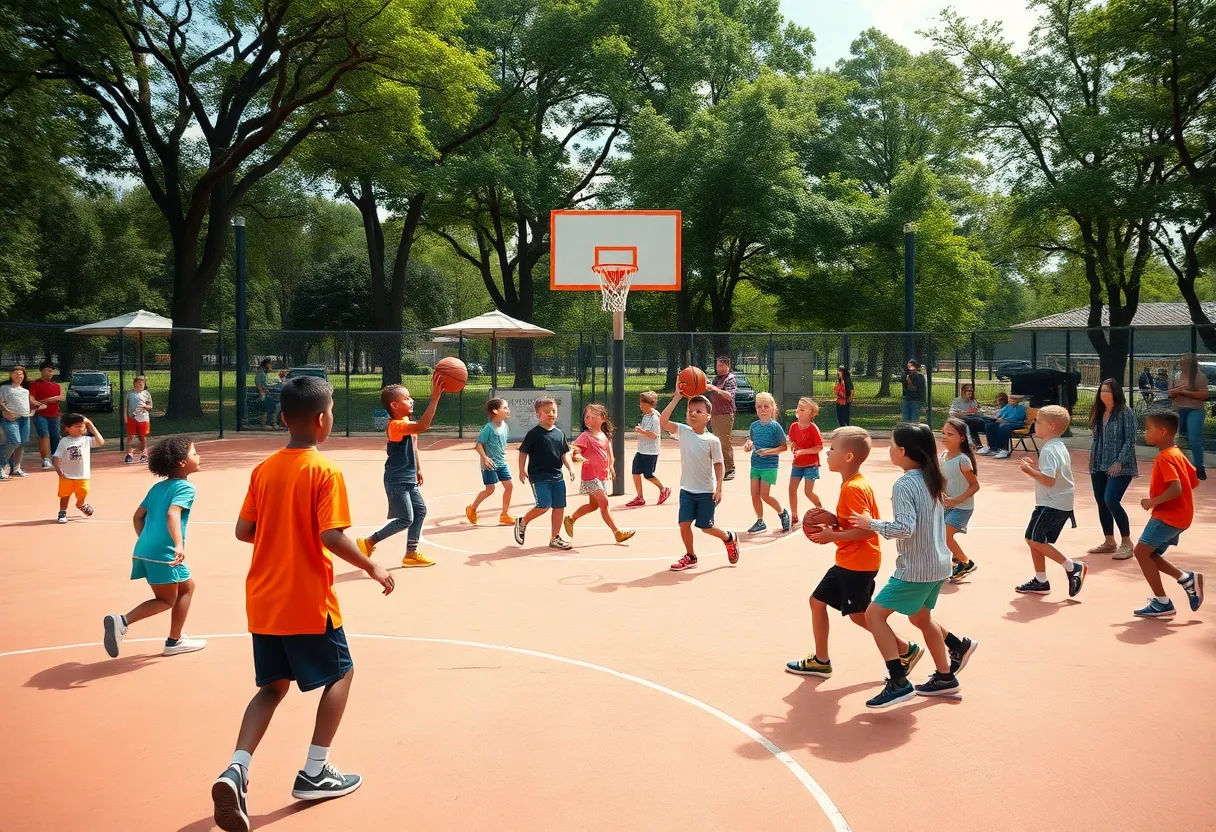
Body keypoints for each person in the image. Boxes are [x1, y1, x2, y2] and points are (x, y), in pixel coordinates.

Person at [211, 376, 395, 832]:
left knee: (272, 687)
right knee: (343, 671)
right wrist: (372, 567)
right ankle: (316, 769)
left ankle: (235, 769)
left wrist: (280, 531)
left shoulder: (265, 469)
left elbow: (243, 531)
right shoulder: (324, 470)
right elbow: (330, 534)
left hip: (263, 598)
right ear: (321, 420)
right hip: (306, 597)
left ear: (281, 418)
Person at [853, 423, 978, 708]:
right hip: (940, 564)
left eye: (892, 444)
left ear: (902, 451)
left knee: (874, 616)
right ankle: (945, 677)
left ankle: (898, 681)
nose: (889, 449)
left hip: (916, 568)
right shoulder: (931, 477)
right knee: (921, 618)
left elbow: (904, 528)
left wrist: (870, 523)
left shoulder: (905, 484)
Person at [786, 426, 925, 681]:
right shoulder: (852, 484)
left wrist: (832, 536)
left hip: (858, 563)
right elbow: (856, 524)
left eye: (832, 449)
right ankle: (821, 660)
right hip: (851, 561)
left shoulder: (853, 488)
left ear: (848, 457)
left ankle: (905, 649)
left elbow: (867, 532)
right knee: (818, 602)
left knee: (861, 616)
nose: (827, 453)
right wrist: (836, 522)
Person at [102, 436, 205, 658]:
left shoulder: (158, 487)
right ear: (181, 462)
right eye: (194, 453)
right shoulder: (185, 488)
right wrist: (178, 544)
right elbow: (172, 514)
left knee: (187, 587)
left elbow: (138, 517)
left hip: (144, 550)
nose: (199, 457)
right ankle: (123, 621)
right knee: (166, 600)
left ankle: (175, 639)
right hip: (165, 553)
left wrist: (146, 540)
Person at [356, 378, 446, 568]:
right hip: (396, 479)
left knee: (420, 510)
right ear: (395, 405)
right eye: (407, 398)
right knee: (406, 518)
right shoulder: (395, 426)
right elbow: (423, 427)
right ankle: (369, 542)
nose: (411, 400)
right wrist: (435, 399)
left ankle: (411, 554)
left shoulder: (406, 422)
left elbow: (414, 445)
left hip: (408, 477)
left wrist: (418, 469)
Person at [658, 385, 741, 571]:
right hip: (687, 490)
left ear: (708, 417)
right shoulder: (683, 431)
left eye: (698, 411)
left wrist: (719, 488)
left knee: (705, 527)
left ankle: (729, 537)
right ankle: (691, 556)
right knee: (684, 524)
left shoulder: (712, 440)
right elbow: (662, 422)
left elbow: (719, 464)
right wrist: (676, 398)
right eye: (690, 411)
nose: (693, 414)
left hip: (706, 492)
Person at [1130, 411, 1204, 618]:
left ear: (1162, 431)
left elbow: (1176, 489)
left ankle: (1162, 602)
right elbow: (1194, 481)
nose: (1145, 433)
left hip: (1168, 517)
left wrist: (1152, 501)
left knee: (1141, 553)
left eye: (1148, 428)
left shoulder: (1164, 458)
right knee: (1150, 554)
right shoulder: (1176, 452)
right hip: (1180, 516)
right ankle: (1186, 579)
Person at [1015, 406, 1088, 598]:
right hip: (1054, 502)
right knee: (1036, 540)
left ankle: (1072, 566)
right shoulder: (1058, 446)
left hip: (1053, 503)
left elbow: (1049, 480)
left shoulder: (1049, 450)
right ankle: (1041, 580)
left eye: (1038, 421)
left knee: (1032, 538)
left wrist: (1028, 471)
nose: (1034, 424)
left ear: (1052, 425)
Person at [565, 403, 635, 543]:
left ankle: (571, 519)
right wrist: (578, 457)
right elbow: (576, 450)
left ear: (604, 418)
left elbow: (609, 454)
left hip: (601, 476)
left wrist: (611, 467)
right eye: (587, 417)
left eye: (593, 417)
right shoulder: (585, 436)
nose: (589, 420)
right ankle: (617, 532)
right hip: (591, 476)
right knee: (604, 502)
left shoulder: (604, 436)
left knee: (594, 505)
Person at [513, 396, 576, 550]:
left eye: (553, 411)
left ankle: (555, 537)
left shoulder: (559, 434)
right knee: (544, 505)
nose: (551, 414)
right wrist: (521, 470)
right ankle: (522, 522)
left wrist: (570, 467)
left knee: (559, 506)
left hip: (557, 476)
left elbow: (564, 453)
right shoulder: (534, 434)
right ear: (538, 415)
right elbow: (523, 452)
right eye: (547, 411)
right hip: (539, 476)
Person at [1086, 379, 1138, 560]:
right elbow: (1095, 439)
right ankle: (1109, 541)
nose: (1103, 394)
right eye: (1101, 390)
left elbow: (1130, 439)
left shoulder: (1125, 412)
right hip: (1099, 463)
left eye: (1107, 390)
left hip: (1120, 465)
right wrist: (1092, 461)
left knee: (1111, 500)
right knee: (1101, 500)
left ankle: (1127, 542)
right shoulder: (1099, 412)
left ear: (1116, 393)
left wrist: (1119, 462)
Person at [742, 392, 790, 534]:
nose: (762, 410)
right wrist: (748, 446)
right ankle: (760, 520)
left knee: (765, 495)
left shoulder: (775, 427)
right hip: (755, 464)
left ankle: (782, 512)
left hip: (769, 465)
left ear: (772, 408)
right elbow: (751, 441)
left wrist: (768, 452)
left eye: (766, 407)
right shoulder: (754, 426)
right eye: (759, 407)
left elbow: (783, 447)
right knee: (754, 494)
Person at [941, 417, 981, 582]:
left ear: (962, 438)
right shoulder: (943, 456)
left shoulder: (963, 460)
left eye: (950, 434)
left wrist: (955, 500)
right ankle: (955, 561)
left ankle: (966, 562)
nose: (944, 437)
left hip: (962, 507)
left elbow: (975, 486)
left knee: (944, 535)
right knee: (939, 535)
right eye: (943, 433)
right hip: (946, 505)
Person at [466, 398, 515, 526]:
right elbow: (478, 445)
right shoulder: (489, 428)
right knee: (490, 489)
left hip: (501, 462)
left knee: (509, 486)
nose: (507, 410)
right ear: (495, 411)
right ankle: (472, 508)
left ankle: (504, 514)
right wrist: (484, 458)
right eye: (504, 408)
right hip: (489, 464)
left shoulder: (505, 426)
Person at [52, 413, 103, 522]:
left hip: (83, 475)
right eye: (77, 426)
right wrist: (58, 470)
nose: (81, 428)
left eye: (83, 426)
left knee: (84, 491)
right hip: (67, 475)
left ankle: (80, 504)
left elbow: (100, 442)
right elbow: (57, 457)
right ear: (68, 428)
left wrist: (91, 425)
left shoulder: (86, 440)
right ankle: (62, 512)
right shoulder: (64, 441)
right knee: (65, 496)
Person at [625, 391, 670, 506]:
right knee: (635, 472)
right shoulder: (645, 416)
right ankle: (640, 497)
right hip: (641, 450)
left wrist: (641, 431)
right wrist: (641, 431)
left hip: (650, 452)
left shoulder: (655, 418)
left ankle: (663, 489)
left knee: (648, 475)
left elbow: (653, 435)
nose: (640, 406)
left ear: (649, 405)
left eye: (642, 404)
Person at [1168, 353, 1209, 480]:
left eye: (1185, 363)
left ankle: (1199, 467)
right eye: (1181, 363)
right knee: (1178, 440)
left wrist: (1185, 392)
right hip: (1178, 409)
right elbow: (1170, 393)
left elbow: (1204, 395)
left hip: (1195, 410)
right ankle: (1178, 466)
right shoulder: (1176, 376)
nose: (1182, 365)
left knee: (1194, 440)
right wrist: (1176, 391)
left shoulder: (1200, 377)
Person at [1, 365, 42, 479]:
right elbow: (1, 402)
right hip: (11, 419)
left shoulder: (25, 391)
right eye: (15, 373)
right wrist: (7, 411)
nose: (18, 375)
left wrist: (35, 408)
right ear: (11, 375)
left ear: (24, 376)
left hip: (25, 419)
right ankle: (2, 466)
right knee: (14, 441)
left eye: (20, 374)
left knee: (21, 443)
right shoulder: (5, 388)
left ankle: (16, 468)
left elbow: (28, 404)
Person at [787, 396, 824, 520]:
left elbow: (819, 447)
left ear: (811, 413)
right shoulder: (793, 426)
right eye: (799, 407)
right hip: (797, 464)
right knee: (791, 489)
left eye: (803, 409)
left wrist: (802, 452)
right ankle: (794, 515)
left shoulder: (813, 428)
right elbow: (792, 440)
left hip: (811, 465)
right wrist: (792, 444)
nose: (799, 410)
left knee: (808, 492)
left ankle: (820, 508)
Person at [705, 356, 739, 480]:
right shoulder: (717, 379)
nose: (717, 368)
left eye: (720, 366)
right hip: (715, 414)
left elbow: (729, 396)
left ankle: (730, 469)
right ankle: (719, 468)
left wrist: (714, 388)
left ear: (726, 366)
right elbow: (710, 390)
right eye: (717, 365)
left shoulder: (730, 379)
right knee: (715, 442)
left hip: (725, 415)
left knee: (724, 442)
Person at [29, 362, 64, 470]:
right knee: (44, 435)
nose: (49, 373)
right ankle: (45, 459)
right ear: (41, 370)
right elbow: (31, 398)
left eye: (51, 371)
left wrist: (50, 399)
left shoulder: (56, 386)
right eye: (47, 370)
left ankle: (56, 457)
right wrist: (38, 403)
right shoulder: (35, 384)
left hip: (54, 414)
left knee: (55, 436)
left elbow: (61, 397)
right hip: (40, 414)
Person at [980, 393, 1028, 460]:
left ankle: (1004, 449)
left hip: (1016, 423)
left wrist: (1005, 420)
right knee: (990, 425)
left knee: (1004, 426)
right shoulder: (1007, 406)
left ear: (1018, 401)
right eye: (1010, 400)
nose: (1011, 401)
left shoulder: (1022, 408)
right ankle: (993, 448)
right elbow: (1000, 415)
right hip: (1003, 421)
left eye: (1013, 400)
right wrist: (997, 419)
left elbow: (1019, 418)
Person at [125, 375, 153, 464]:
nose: (140, 385)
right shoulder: (130, 394)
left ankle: (144, 454)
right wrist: (126, 417)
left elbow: (150, 406)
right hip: (132, 418)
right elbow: (126, 407)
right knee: (130, 436)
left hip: (143, 418)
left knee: (142, 436)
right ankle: (129, 454)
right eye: (138, 383)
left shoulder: (146, 394)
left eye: (142, 384)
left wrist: (145, 406)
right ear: (134, 384)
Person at [255, 358, 279, 429]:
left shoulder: (263, 374)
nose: (270, 366)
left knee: (272, 406)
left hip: (265, 393)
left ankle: (272, 423)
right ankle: (265, 424)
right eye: (269, 364)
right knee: (269, 407)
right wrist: (262, 392)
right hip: (263, 394)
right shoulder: (261, 374)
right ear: (266, 365)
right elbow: (259, 384)